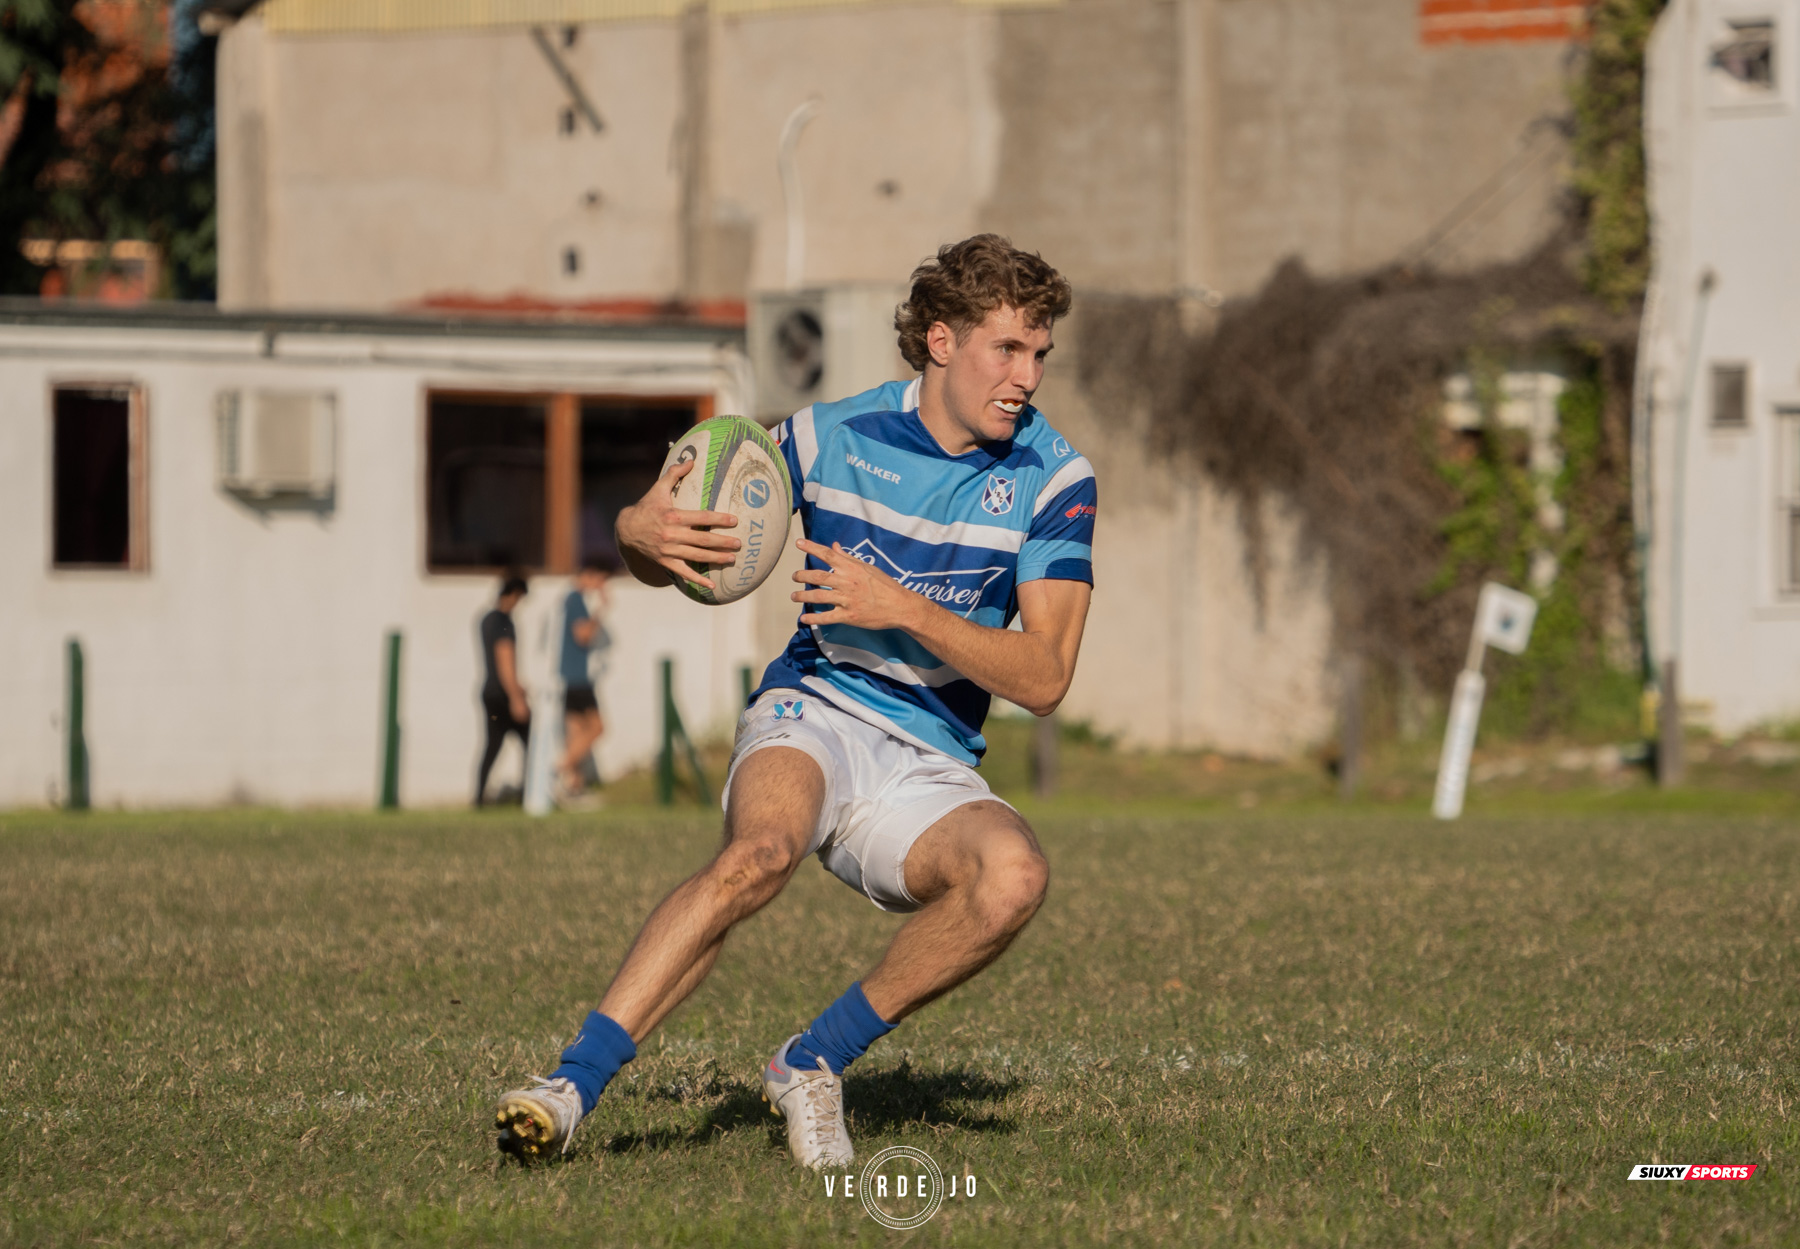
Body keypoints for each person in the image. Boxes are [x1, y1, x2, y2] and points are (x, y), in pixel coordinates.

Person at [494, 235, 1096, 1169]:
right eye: (1008, 348)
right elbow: (678, 542)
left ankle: (810, 1060)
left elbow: (1047, 675)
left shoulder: (1055, 479)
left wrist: (903, 607)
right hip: (815, 707)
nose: (1028, 376)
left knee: (1013, 877)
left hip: (930, 756)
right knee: (759, 854)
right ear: (941, 340)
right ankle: (569, 1087)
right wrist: (636, 529)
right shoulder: (825, 438)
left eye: (1039, 353)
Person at [557, 557, 614, 800]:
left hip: (568, 678)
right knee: (597, 728)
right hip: (577, 678)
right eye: (601, 580)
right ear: (591, 574)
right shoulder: (576, 599)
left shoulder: (568, 598)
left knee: (576, 733)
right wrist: (601, 609)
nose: (602, 585)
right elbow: (583, 635)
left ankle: (573, 788)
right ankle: (558, 769)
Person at [474, 571, 531, 807]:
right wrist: (516, 696)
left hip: (490, 691)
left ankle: (479, 798)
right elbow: (504, 658)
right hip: (502, 694)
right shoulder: (503, 621)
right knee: (530, 741)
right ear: (514, 594)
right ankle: (528, 795)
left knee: (492, 746)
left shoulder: (487, 619)